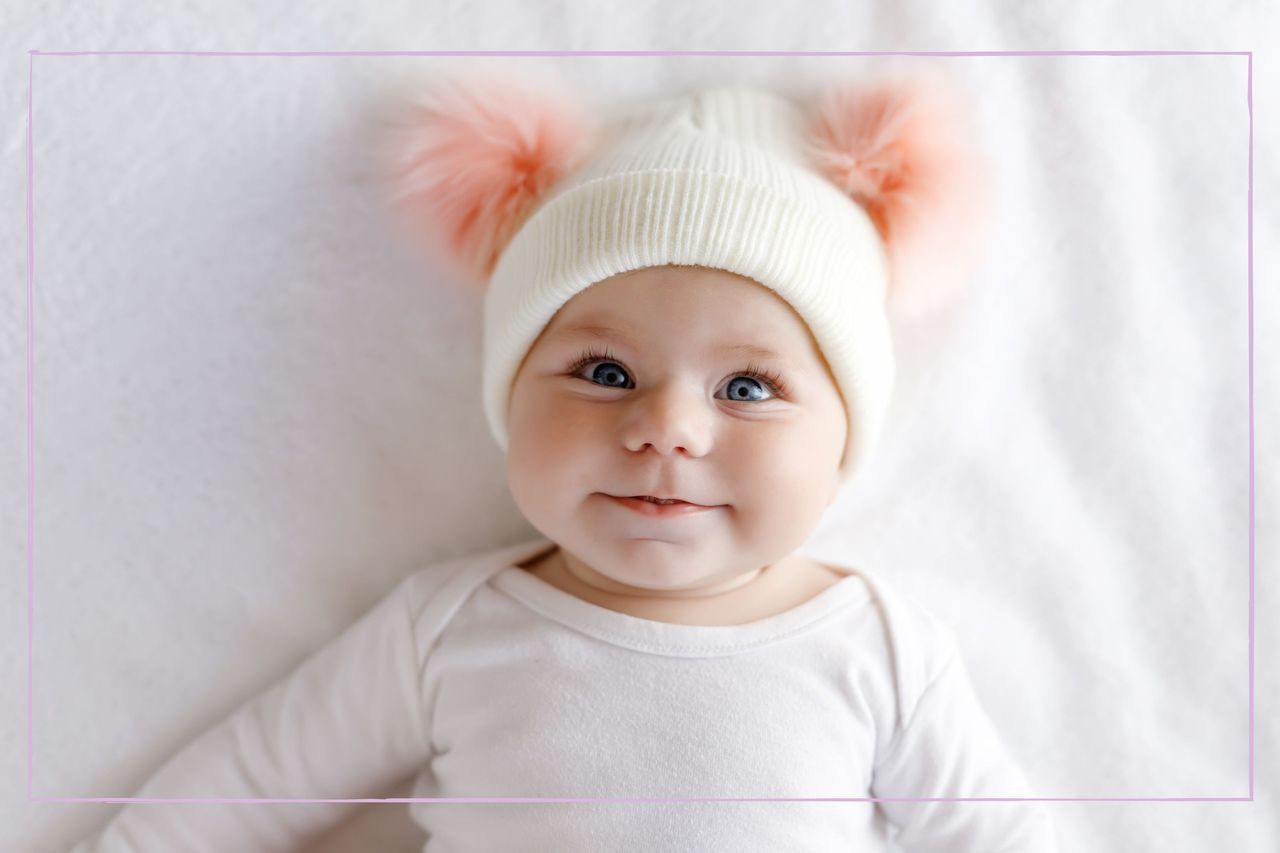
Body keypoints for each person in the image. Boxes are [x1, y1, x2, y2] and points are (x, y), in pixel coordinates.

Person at [72, 66, 1057, 851]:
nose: (668, 428)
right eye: (602, 369)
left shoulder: (878, 652)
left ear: (844, 434)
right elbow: (248, 784)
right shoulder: (448, 629)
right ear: (510, 395)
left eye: (745, 388)